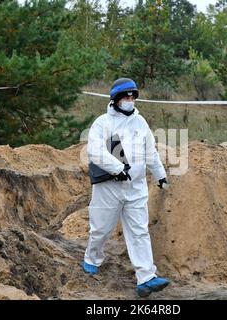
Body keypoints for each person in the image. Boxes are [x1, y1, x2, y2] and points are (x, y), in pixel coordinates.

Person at [82, 78, 169, 297]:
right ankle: (92, 258)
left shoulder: (140, 123)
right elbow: (95, 151)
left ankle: (146, 277)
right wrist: (117, 168)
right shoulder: (103, 123)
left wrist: (160, 174)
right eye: (126, 96)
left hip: (136, 188)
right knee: (100, 229)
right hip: (109, 188)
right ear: (116, 99)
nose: (130, 100)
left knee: (139, 231)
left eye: (133, 96)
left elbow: (151, 152)